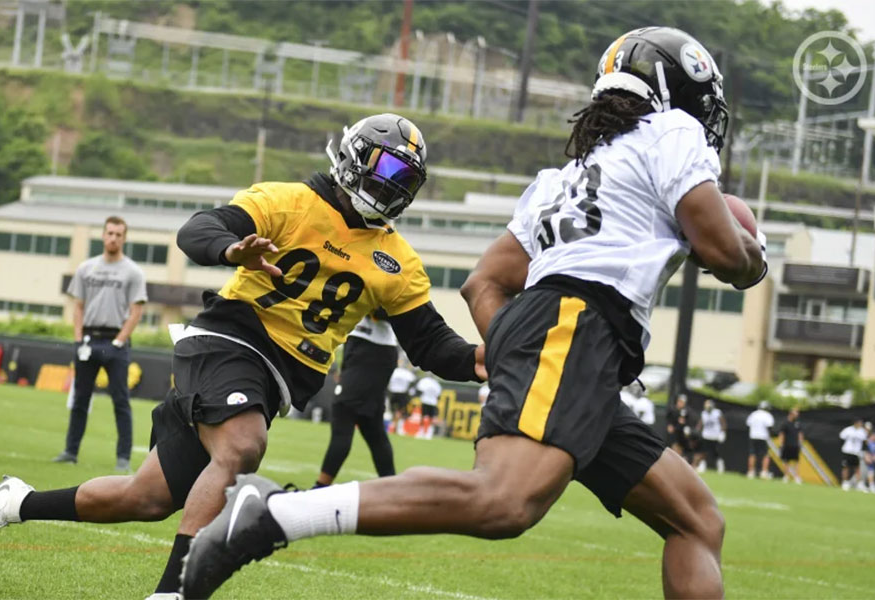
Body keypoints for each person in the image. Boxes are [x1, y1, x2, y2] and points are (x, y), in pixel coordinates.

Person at [182, 26, 766, 599]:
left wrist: (514, 350)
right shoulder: (673, 129)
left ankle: (276, 513)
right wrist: (752, 258)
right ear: (672, 89)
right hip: (577, 325)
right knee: (504, 502)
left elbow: (485, 281)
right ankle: (277, 515)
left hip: (575, 343)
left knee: (695, 518)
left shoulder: (562, 178)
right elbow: (723, 252)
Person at [0, 113, 485, 599]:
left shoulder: (397, 260)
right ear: (354, 158)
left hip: (276, 378)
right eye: (387, 171)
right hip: (228, 339)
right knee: (243, 444)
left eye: (405, 181)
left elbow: (431, 343)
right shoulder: (289, 201)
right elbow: (197, 229)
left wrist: (484, 359)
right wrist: (230, 249)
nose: (392, 188)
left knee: (144, 498)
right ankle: (174, 591)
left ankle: (15, 502)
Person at [53, 216, 147, 470]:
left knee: (120, 400)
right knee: (80, 399)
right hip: (88, 340)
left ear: (124, 238)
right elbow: (78, 306)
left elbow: (136, 311)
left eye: (118, 234)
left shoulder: (133, 272)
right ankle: (70, 451)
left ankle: (123, 458)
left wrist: (119, 341)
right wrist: (77, 339)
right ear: (103, 235)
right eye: (110, 233)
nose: (113, 238)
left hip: (115, 342)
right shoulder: (86, 268)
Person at [314, 314, 399, 488]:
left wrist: (372, 303)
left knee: (343, 411)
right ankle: (392, 487)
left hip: (373, 348)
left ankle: (320, 486)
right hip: (362, 346)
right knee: (372, 427)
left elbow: (388, 305)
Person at [695, 399, 726, 473]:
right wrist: (696, 431)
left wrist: (723, 432)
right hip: (706, 435)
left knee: (715, 452)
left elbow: (723, 423)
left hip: (715, 436)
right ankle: (702, 466)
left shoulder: (717, 412)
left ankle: (720, 466)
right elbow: (700, 424)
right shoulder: (704, 413)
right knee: (703, 452)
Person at [746, 401, 774, 479]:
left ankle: (751, 472)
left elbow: (748, 425)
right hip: (763, 437)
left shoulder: (753, 414)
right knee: (765, 455)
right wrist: (770, 436)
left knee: (752, 454)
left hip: (753, 436)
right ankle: (764, 472)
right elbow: (769, 427)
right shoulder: (767, 415)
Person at [385, 362, 416, 434]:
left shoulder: (394, 371)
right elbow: (412, 382)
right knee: (400, 410)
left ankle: (393, 426)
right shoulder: (407, 373)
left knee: (393, 410)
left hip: (393, 392)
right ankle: (398, 427)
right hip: (402, 393)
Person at [777, 407, 804, 484]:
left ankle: (797, 477)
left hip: (795, 445)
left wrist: (800, 443)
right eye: (795, 414)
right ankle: (786, 476)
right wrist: (781, 444)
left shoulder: (797, 423)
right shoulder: (785, 423)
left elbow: (800, 434)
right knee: (786, 461)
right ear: (791, 414)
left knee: (796, 461)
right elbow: (781, 434)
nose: (797, 415)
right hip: (787, 445)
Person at [839, 418, 867, 491]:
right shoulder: (848, 430)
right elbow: (841, 438)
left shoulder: (862, 431)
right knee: (846, 467)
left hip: (856, 453)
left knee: (857, 469)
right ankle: (845, 483)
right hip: (847, 452)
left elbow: (865, 441)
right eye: (860, 423)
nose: (861, 424)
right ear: (855, 423)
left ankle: (859, 484)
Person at [413, 372, 442, 440]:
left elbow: (419, 390)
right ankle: (428, 433)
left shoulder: (424, 381)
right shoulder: (436, 384)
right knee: (431, 418)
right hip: (433, 402)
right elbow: (438, 395)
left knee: (424, 417)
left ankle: (422, 432)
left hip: (425, 401)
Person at [666, 394, 694, 459]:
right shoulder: (672, 409)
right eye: (679, 401)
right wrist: (669, 425)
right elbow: (668, 419)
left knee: (681, 446)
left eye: (682, 402)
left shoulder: (687, 411)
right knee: (673, 445)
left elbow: (687, 422)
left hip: (682, 432)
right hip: (674, 432)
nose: (680, 403)